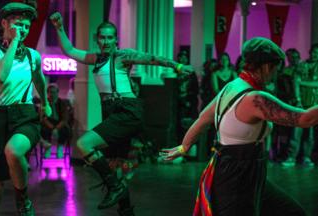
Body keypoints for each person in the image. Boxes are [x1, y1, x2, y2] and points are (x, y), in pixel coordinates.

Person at [50, 12, 193, 216]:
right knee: (115, 166)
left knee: (83, 144)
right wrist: (59, 27)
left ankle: (115, 188)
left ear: (116, 39)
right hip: (111, 112)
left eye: (110, 37)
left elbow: (151, 59)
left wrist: (177, 66)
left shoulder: (122, 55)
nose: (106, 41)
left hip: (127, 110)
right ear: (97, 39)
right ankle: (126, 210)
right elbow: (70, 50)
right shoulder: (96, 58)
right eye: (102, 37)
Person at [161, 37, 311, 215]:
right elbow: (304, 119)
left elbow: (203, 119)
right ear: (265, 67)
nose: (275, 75)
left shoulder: (231, 87)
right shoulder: (255, 99)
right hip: (238, 174)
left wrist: (184, 146)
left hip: (246, 170)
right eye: (275, 69)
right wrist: (184, 147)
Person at [0, 3, 51, 216]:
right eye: (19, 25)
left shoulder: (32, 56)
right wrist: (15, 42)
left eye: (27, 26)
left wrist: (45, 102)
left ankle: (23, 199)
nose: (24, 30)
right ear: (3, 24)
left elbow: (39, 79)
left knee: (14, 150)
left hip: (24, 116)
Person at [41, 84, 72, 158]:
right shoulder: (45, 103)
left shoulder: (62, 103)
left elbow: (65, 118)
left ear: (57, 93)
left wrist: (56, 128)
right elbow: (43, 118)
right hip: (48, 123)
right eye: (51, 92)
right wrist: (52, 128)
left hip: (59, 122)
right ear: (47, 93)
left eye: (54, 92)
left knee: (65, 130)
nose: (52, 94)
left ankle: (60, 148)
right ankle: (48, 148)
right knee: (44, 130)